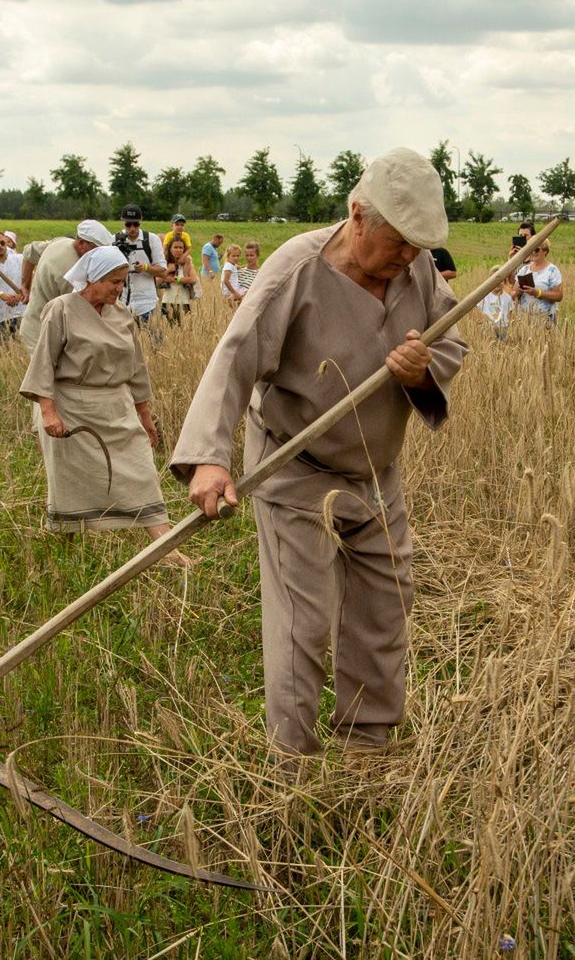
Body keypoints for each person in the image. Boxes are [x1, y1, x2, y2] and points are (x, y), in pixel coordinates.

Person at [171, 147, 467, 757]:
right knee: (304, 621)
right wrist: (210, 456)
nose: (407, 259)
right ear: (358, 215)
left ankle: (368, 744)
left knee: (386, 606)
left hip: (375, 469)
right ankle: (292, 764)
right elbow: (235, 358)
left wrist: (421, 370)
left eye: (417, 246)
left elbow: (450, 344)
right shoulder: (294, 272)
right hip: (293, 465)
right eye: (397, 243)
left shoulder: (416, 269)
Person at [21, 245, 189, 559]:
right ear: (93, 279)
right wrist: (48, 412)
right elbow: (43, 363)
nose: (119, 289)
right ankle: (65, 555)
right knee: (70, 483)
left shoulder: (121, 314)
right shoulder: (60, 310)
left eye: (122, 281)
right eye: (113, 281)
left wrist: (145, 415)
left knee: (142, 472)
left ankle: (166, 551)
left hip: (118, 405)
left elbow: (136, 367)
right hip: (73, 409)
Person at [18, 220, 116, 351]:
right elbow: (83, 316)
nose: (100, 255)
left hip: (48, 326)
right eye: (96, 249)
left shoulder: (60, 242)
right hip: (42, 333)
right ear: (81, 243)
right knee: (45, 370)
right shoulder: (71, 274)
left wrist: (25, 285)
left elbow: (29, 251)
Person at [111, 206, 169, 323]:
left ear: (141, 221)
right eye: (128, 225)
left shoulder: (151, 240)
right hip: (121, 304)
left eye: (136, 224)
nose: (132, 228)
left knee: (153, 340)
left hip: (147, 303)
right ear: (123, 222)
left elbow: (163, 272)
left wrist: (145, 268)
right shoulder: (114, 240)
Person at [515, 239, 564, 324]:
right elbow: (513, 291)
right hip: (524, 320)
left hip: (545, 319)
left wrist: (537, 293)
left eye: (536, 249)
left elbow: (559, 295)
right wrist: (518, 291)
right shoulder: (524, 269)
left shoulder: (552, 270)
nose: (533, 252)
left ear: (545, 251)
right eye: (531, 249)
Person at [158, 238, 199, 324]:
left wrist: (174, 279)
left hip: (183, 302)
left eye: (181, 248)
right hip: (168, 302)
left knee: (185, 332)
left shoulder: (188, 264)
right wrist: (168, 270)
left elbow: (192, 279)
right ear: (170, 249)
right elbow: (157, 281)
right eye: (175, 247)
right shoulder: (164, 264)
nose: (178, 250)